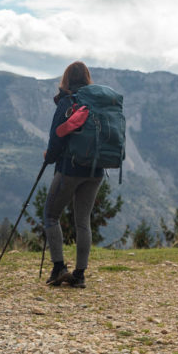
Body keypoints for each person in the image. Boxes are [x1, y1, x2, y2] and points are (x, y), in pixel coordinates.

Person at [42, 61, 103, 288]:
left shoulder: (68, 102)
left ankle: (59, 267)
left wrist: (49, 157)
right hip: (96, 170)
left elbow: (56, 138)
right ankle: (80, 274)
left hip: (70, 168)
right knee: (83, 221)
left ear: (66, 79)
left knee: (50, 215)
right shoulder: (97, 103)